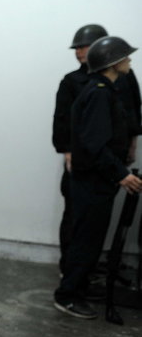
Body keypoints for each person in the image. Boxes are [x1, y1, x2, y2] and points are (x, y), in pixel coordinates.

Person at [54, 36, 140, 324]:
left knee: (89, 240)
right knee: (85, 241)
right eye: (126, 58)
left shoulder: (103, 90)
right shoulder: (100, 93)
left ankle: (79, 287)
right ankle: (67, 296)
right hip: (92, 182)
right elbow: (94, 144)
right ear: (114, 63)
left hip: (95, 181)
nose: (129, 61)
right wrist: (122, 175)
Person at [52, 24, 108, 275]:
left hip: (107, 162)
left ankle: (87, 269)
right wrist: (67, 152)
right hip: (80, 162)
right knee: (74, 216)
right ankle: (70, 269)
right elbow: (61, 120)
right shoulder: (72, 81)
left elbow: (131, 113)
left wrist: (131, 143)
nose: (79, 52)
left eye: (84, 47)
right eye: (76, 48)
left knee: (97, 221)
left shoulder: (121, 77)